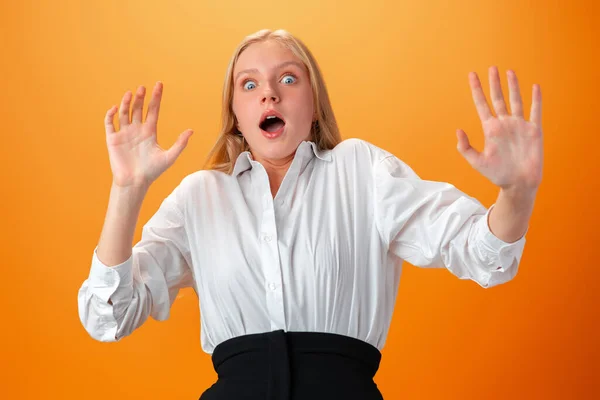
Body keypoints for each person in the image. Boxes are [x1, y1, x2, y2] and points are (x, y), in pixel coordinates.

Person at [77, 29, 543, 399]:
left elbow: (484, 255)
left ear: (314, 104)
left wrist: (518, 191)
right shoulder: (200, 197)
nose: (269, 95)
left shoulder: (362, 171)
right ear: (235, 114)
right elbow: (109, 317)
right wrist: (127, 189)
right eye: (250, 84)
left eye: (288, 78)